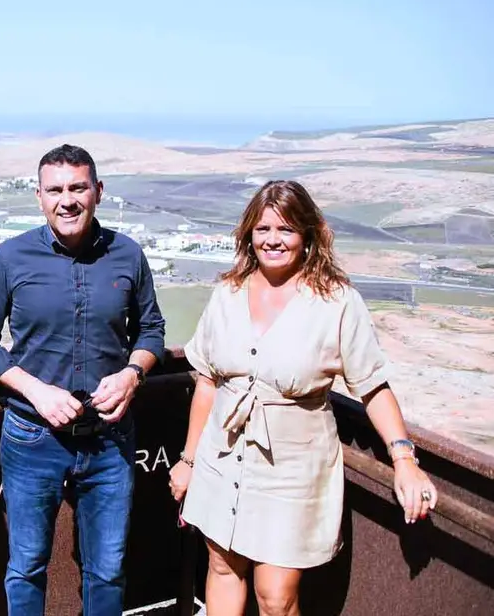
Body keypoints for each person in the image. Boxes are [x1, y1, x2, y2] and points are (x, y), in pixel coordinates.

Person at [167, 179, 439, 616]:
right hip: (224, 455)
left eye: (286, 229)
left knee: (276, 595)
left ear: (308, 235)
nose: (273, 239)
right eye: (263, 229)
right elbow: (207, 381)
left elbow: (372, 386)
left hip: (293, 469)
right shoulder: (228, 293)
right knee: (221, 568)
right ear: (248, 235)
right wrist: (189, 460)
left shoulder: (336, 302)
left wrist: (404, 459)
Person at [0, 144, 167, 616]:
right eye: (55, 190)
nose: (67, 200)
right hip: (33, 437)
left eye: (78, 188)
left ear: (98, 191)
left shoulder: (127, 255)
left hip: (110, 438)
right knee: (28, 566)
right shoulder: (10, 258)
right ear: (38, 196)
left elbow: (151, 330)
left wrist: (133, 374)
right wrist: (36, 390)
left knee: (108, 569)